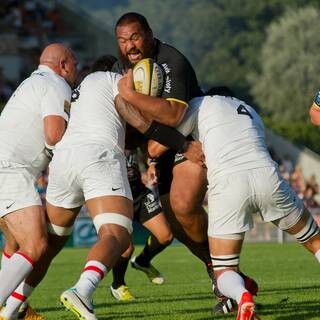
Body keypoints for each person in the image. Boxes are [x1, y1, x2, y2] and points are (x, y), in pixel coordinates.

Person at [147, 88, 320, 319]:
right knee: (315, 241)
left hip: (229, 185)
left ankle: (242, 297)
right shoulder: (250, 110)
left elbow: (154, 148)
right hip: (268, 177)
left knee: (224, 270)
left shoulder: (200, 104)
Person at [112, 12, 238, 312]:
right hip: (162, 149)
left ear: (149, 34)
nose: (130, 46)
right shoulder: (120, 68)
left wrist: (129, 97)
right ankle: (218, 269)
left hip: (191, 141)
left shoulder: (172, 61)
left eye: (135, 37)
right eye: (122, 41)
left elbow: (173, 115)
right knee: (173, 226)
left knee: (183, 206)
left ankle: (224, 273)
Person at [0, 43, 78, 320]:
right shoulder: (57, 85)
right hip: (11, 169)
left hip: (6, 166)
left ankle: (15, 311)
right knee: (36, 245)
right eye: (75, 66)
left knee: (14, 246)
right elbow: (54, 136)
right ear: (64, 64)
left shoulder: (32, 82)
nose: (75, 73)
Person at [90, 54, 173, 301]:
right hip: (113, 189)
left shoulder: (128, 110)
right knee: (124, 244)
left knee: (166, 235)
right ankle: (118, 284)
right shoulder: (97, 117)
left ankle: (144, 261)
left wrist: (151, 164)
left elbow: (142, 143)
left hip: (136, 187)